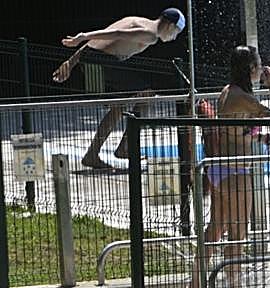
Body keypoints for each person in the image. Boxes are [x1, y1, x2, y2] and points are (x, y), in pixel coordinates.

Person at [190, 45, 270, 288]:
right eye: (259, 64)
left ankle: (195, 284)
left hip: (219, 169)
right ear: (251, 68)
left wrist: (264, 138)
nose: (262, 69)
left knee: (215, 229)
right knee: (238, 234)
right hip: (236, 173)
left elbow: (241, 132)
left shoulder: (227, 92)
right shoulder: (242, 96)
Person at [51, 9, 187, 170]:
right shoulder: (150, 34)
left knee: (125, 104)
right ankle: (114, 150)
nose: (174, 37)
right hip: (103, 61)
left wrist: (70, 62)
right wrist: (82, 36)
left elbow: (98, 40)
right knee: (145, 96)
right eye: (176, 32)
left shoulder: (136, 20)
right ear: (170, 26)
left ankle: (107, 151)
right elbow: (116, 33)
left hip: (94, 58)